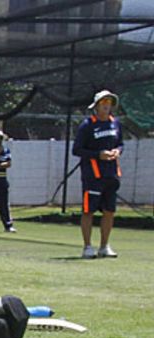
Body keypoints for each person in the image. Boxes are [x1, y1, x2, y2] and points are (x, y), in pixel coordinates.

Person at [73, 89, 123, 259]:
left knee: (109, 210)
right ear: (96, 106)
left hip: (111, 174)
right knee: (89, 210)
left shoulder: (115, 124)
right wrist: (98, 154)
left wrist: (117, 151)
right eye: (103, 103)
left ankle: (104, 246)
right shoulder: (87, 125)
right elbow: (77, 150)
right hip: (93, 176)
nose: (106, 106)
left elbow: (121, 144)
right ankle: (87, 247)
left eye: (109, 103)